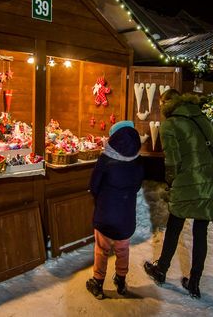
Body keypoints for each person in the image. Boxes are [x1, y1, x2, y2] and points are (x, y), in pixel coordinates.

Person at [143, 89, 213, 299]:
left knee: (174, 227)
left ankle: (161, 269)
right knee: (201, 232)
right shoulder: (202, 116)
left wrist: (172, 182)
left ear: (166, 103)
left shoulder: (170, 125)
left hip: (187, 183)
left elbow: (172, 161)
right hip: (211, 183)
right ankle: (194, 283)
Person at [85, 120, 144, 299]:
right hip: (126, 217)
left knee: (102, 249)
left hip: (106, 214)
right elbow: (136, 186)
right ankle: (121, 280)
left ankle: (98, 281)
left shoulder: (105, 160)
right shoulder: (138, 162)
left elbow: (93, 186)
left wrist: (101, 197)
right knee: (123, 249)